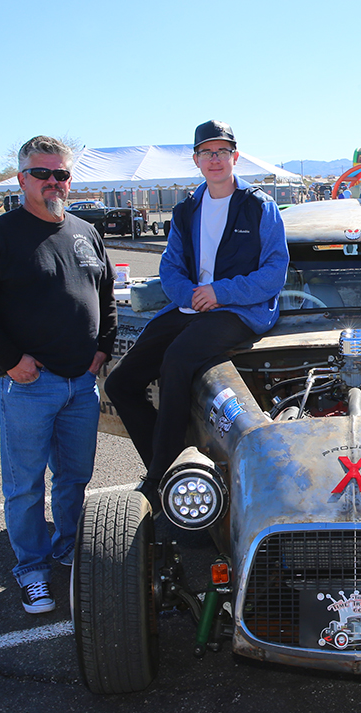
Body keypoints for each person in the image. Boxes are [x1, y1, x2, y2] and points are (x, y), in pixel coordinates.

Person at [0, 135, 116, 614]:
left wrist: (102, 349)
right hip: (27, 382)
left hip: (80, 383)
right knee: (24, 484)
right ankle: (31, 569)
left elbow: (106, 296)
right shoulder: (0, 236)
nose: (53, 182)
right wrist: (10, 360)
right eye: (42, 174)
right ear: (22, 177)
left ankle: (68, 547)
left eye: (61, 174)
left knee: (74, 477)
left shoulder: (86, 232)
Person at [104, 120, 289, 502]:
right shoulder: (187, 209)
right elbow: (170, 267)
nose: (215, 159)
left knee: (177, 360)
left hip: (240, 311)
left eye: (222, 151)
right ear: (196, 160)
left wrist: (219, 292)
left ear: (235, 157)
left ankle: (157, 482)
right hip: (189, 306)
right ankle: (167, 463)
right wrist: (190, 294)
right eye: (207, 152)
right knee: (120, 384)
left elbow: (274, 274)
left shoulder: (259, 206)